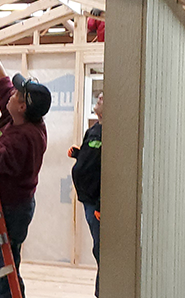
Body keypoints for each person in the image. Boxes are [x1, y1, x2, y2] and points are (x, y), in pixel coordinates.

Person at [0, 15, 52, 298]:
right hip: (3, 202)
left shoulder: (25, 138)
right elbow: (1, 81)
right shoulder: (19, 117)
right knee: (7, 266)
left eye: (17, 95)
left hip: (8, 209)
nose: (11, 93)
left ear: (23, 108)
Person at [69, 92, 103, 297]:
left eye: (104, 97)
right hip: (87, 200)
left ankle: (102, 293)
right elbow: (92, 157)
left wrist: (101, 204)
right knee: (98, 248)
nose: (100, 97)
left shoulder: (111, 132)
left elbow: (109, 171)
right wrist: (79, 154)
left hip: (96, 203)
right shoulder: (94, 130)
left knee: (102, 252)